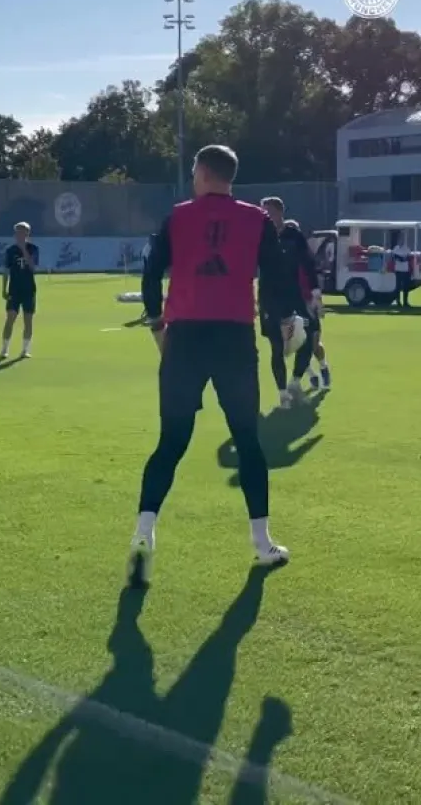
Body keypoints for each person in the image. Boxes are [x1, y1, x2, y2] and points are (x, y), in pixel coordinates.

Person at [128, 145, 296, 586]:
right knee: (248, 441)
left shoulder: (177, 216)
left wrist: (156, 323)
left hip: (184, 337)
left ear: (201, 173)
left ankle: (144, 531)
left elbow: (150, 271)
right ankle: (262, 543)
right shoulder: (257, 219)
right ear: (231, 177)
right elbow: (279, 273)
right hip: (234, 338)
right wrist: (286, 318)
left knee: (171, 442)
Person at [260, 201, 328, 404]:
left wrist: (316, 293)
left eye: (269, 212)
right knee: (277, 347)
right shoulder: (259, 237)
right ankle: (283, 393)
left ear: (280, 213)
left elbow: (308, 263)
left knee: (308, 337)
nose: (266, 216)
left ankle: (296, 381)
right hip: (270, 299)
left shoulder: (293, 236)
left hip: (294, 296)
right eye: (263, 212)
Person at [0, 222, 39, 359]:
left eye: (22, 232)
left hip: (29, 289)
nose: (19, 235)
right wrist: (4, 288)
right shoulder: (10, 251)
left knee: (28, 320)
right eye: (17, 232)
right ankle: (4, 349)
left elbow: (33, 267)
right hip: (14, 290)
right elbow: (6, 271)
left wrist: (23, 249)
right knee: (10, 318)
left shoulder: (33, 249)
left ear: (27, 234)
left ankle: (25, 349)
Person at [392, 231, 411, 308]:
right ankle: (398, 302)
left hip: (405, 270)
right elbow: (395, 257)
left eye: (401, 240)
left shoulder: (406, 248)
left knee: (406, 287)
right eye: (399, 240)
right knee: (398, 287)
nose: (400, 241)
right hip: (398, 270)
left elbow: (407, 257)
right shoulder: (395, 248)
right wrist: (401, 258)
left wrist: (401, 258)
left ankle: (405, 302)